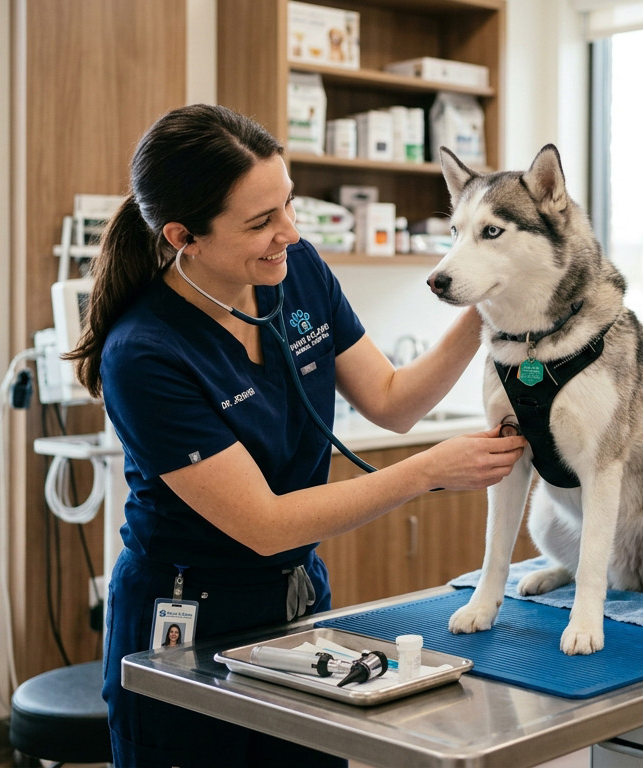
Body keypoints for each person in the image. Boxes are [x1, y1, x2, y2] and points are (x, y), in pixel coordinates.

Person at [67, 104, 527, 767]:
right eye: (261, 222)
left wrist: (489, 303)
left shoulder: (297, 270)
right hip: (190, 621)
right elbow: (264, 524)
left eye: (288, 204)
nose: (288, 231)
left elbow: (392, 403)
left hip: (297, 604)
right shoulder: (144, 353)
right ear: (183, 235)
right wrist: (428, 471)